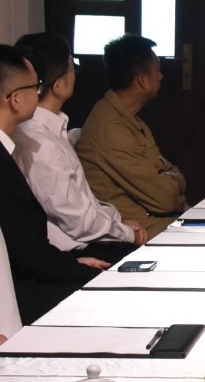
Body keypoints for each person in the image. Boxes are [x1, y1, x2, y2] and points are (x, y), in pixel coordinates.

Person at [0, 44, 111, 323]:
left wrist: (69, 261)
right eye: (35, 87)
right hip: (2, 293)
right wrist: (81, 271)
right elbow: (26, 254)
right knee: (111, 290)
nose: (39, 93)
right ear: (15, 99)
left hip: (4, 275)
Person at [14, 32, 146, 257]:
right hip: (72, 254)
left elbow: (83, 206)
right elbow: (78, 220)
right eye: (72, 66)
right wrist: (126, 233)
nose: (75, 73)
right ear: (58, 85)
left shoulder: (52, 132)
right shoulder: (41, 143)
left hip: (88, 239)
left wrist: (118, 222)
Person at [78, 34, 189, 238]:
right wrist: (173, 183)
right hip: (146, 233)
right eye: (157, 70)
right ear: (142, 80)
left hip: (164, 222)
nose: (161, 76)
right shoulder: (111, 129)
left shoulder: (129, 119)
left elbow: (170, 172)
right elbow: (166, 198)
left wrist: (171, 180)